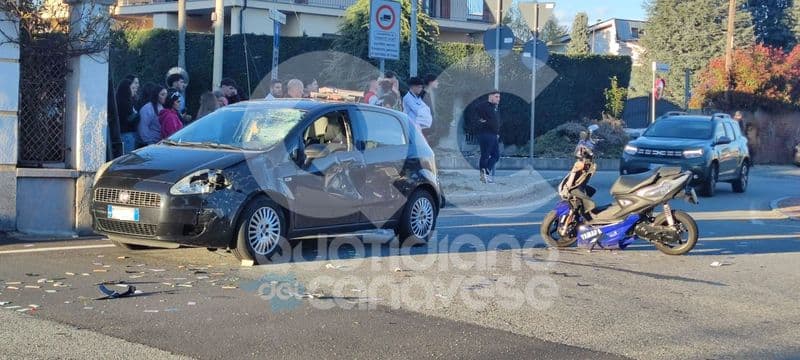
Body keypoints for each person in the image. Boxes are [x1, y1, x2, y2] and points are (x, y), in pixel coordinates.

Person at [475, 90, 501, 183]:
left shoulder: (494, 107)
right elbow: (476, 112)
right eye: (497, 96)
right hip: (486, 134)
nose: (499, 99)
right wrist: (480, 120)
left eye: (499, 97)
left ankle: (485, 173)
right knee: (485, 156)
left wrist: (497, 133)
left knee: (496, 155)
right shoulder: (483, 106)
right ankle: (483, 177)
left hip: (493, 135)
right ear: (491, 96)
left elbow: (495, 121)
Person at [116, 75, 140, 154]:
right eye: (132, 88)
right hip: (126, 134)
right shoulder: (125, 103)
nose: (134, 90)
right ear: (127, 90)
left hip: (127, 134)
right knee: (127, 159)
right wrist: (136, 115)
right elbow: (130, 120)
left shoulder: (127, 101)